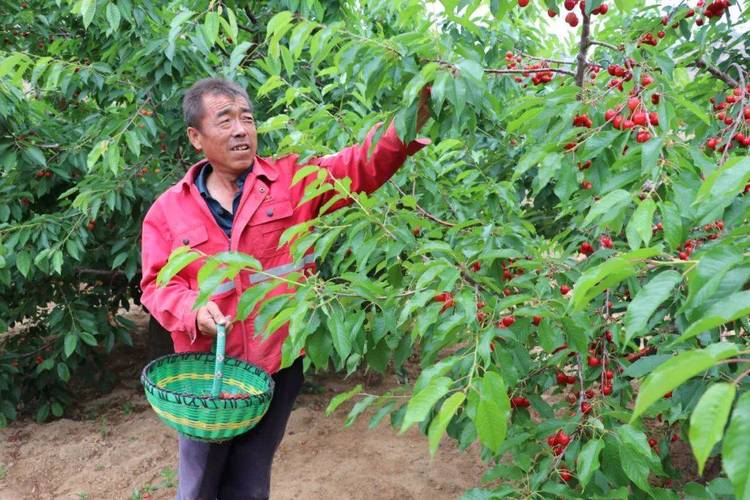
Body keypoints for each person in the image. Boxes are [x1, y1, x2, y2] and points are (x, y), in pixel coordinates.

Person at [139, 77, 430, 499]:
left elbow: (359, 165)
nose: (241, 129)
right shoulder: (169, 210)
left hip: (274, 363)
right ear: (195, 137)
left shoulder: (292, 180)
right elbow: (156, 284)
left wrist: (407, 120)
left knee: (251, 481)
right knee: (199, 483)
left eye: (247, 119)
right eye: (225, 120)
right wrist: (191, 312)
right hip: (207, 373)